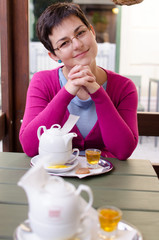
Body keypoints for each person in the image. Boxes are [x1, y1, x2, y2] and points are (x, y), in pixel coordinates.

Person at [19, 2, 138, 160]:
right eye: (64, 43)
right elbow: (30, 147)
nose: (77, 45)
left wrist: (96, 91)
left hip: (108, 178)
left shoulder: (124, 87)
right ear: (54, 56)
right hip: (57, 178)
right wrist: (68, 91)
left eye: (81, 33)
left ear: (92, 32)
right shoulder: (42, 82)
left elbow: (123, 151)